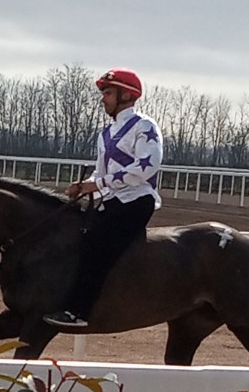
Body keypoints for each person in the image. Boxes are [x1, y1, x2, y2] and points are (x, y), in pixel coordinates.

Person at [44, 68, 163, 328]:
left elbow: (147, 167)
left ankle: (80, 312)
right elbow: (101, 172)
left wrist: (97, 184)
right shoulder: (105, 134)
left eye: (108, 93)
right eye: (104, 93)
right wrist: (84, 186)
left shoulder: (144, 126)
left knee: (96, 246)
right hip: (113, 201)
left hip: (136, 200)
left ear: (126, 95)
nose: (103, 99)